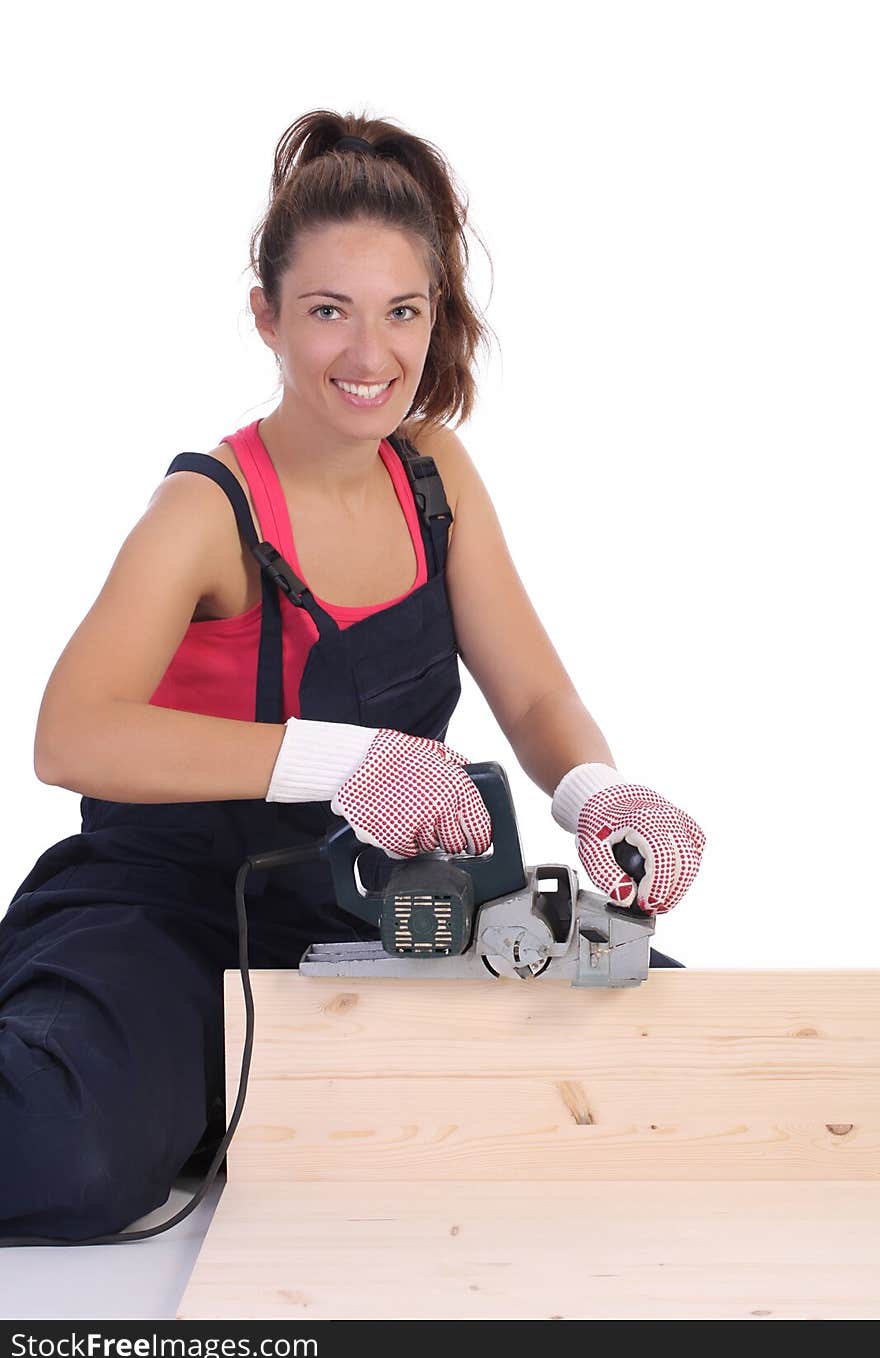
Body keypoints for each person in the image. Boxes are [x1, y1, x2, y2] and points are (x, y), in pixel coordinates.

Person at [0, 109, 706, 1242]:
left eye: (401, 313)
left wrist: (595, 794)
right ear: (267, 317)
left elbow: (529, 695)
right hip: (171, 911)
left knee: (676, 1054)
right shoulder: (204, 511)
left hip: (379, 913)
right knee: (69, 1156)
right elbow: (68, 734)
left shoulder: (434, 472)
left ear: (435, 321)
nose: (369, 356)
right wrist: (343, 759)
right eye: (328, 311)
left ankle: (223, 1095)